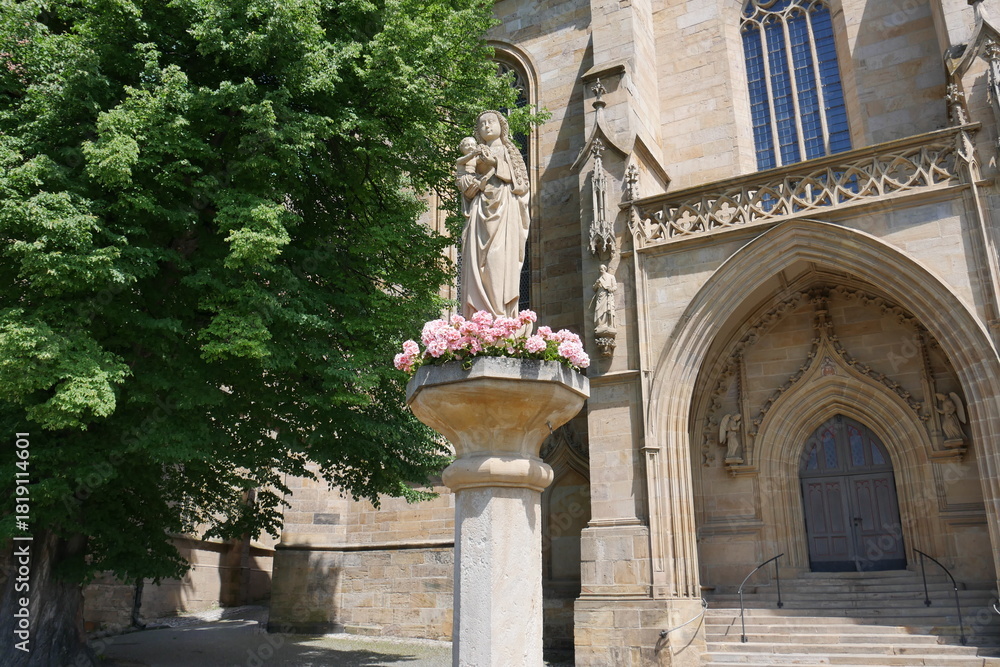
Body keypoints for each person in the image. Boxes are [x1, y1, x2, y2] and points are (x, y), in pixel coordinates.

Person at [457, 111, 530, 319]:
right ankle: (479, 318)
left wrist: (497, 164)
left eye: (491, 122)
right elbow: (466, 183)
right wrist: (469, 182)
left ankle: (501, 316)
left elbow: (522, 184)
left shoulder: (510, 151)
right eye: (482, 124)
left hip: (504, 209)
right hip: (480, 211)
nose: (487, 126)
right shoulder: (474, 154)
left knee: (497, 260)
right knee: (478, 262)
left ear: (502, 125)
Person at [592, 264, 617, 332]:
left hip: (607, 295)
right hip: (600, 296)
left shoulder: (611, 277)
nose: (601, 270)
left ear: (605, 269)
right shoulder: (599, 279)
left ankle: (606, 324)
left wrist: (610, 289)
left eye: (602, 269)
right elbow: (594, 288)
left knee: (606, 309)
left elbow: (615, 286)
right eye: (600, 269)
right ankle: (600, 324)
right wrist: (597, 284)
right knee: (598, 309)